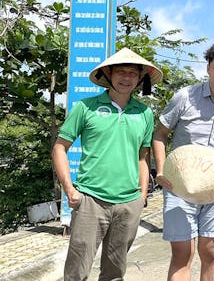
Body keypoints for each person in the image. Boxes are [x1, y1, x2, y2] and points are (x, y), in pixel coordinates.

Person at [51, 47, 163, 280]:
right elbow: (60, 148)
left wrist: (142, 195)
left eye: (133, 73)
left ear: (140, 78)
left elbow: (143, 157)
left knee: (115, 270)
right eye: (121, 72)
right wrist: (69, 189)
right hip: (91, 199)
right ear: (108, 75)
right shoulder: (85, 107)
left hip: (128, 203)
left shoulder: (144, 113)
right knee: (77, 270)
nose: (126, 78)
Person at [152, 41, 214, 281]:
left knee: (211, 251)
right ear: (208, 68)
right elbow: (160, 134)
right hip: (179, 186)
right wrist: (162, 170)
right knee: (182, 254)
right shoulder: (185, 96)